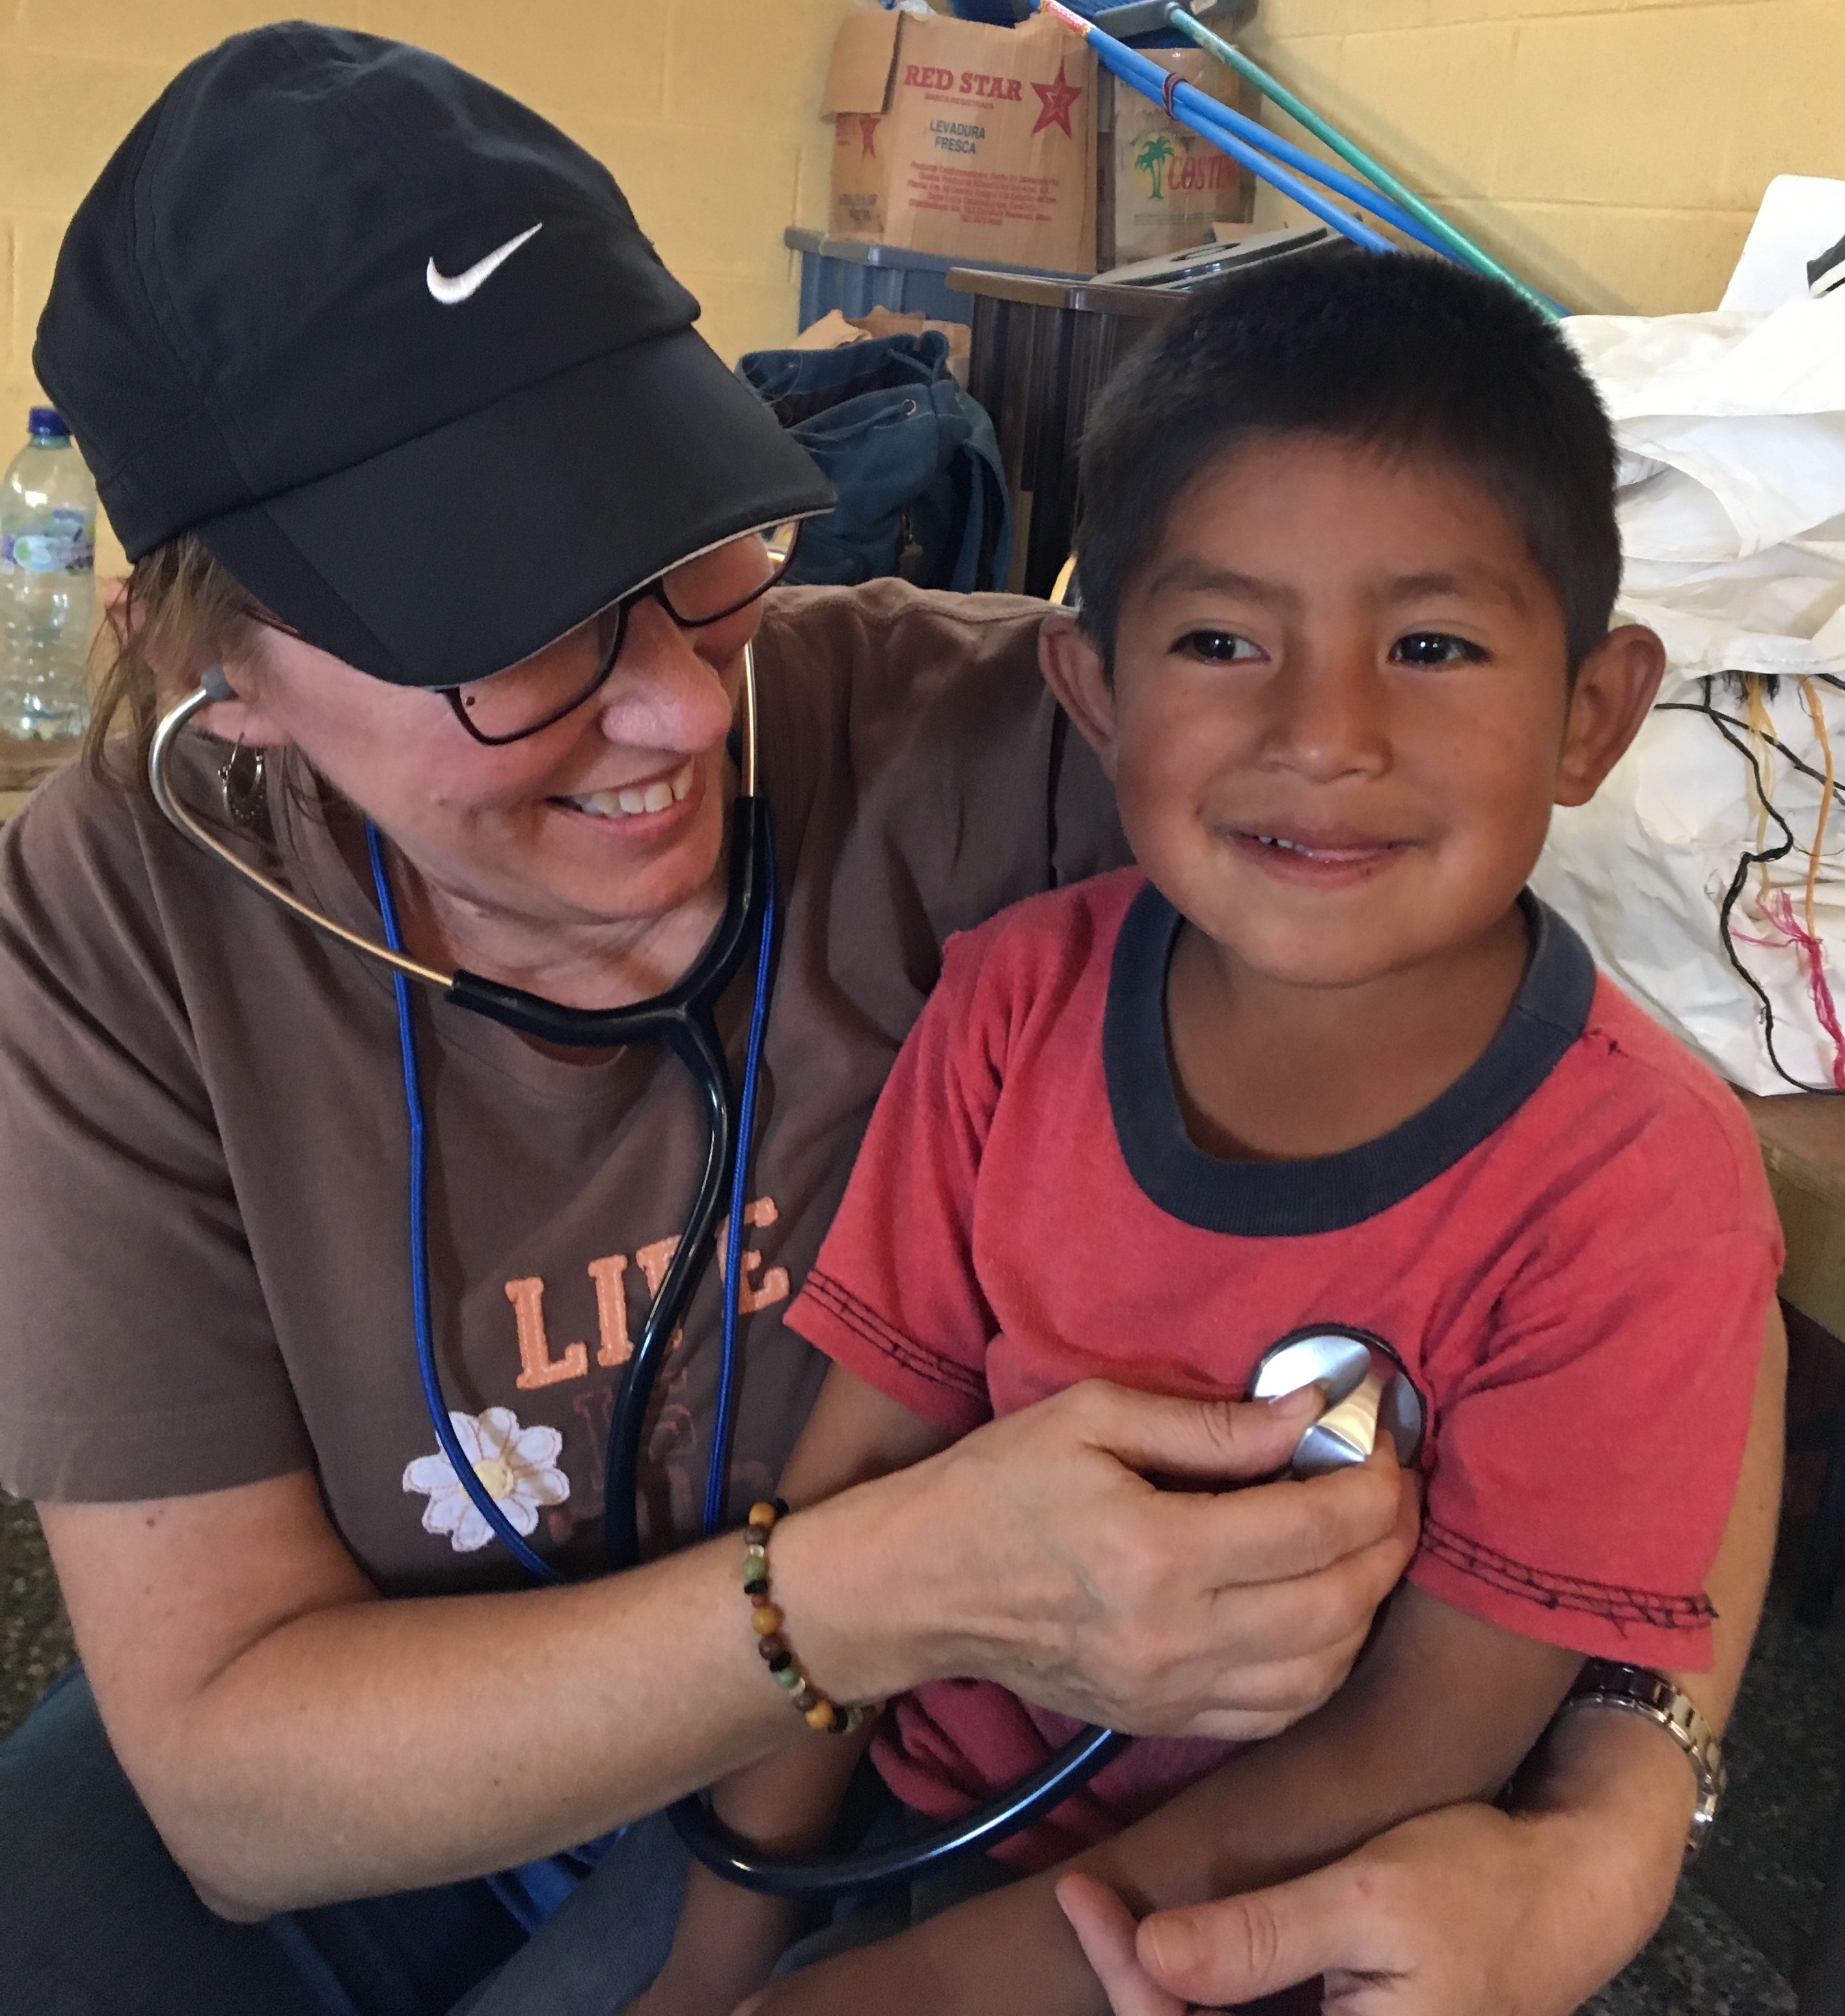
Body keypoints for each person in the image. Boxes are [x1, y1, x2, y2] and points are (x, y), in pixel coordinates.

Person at [0, 23, 1783, 2016]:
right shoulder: (111, 923)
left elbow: (1624, 1189)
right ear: (216, 667)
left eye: (687, 547)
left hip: (980, 1780)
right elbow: (240, 1774)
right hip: (424, 1691)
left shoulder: (1066, 734)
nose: (677, 706)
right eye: (506, 629)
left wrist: (1613, 1822)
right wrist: (885, 1586)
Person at [629, 257, 1782, 2016]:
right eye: (1222, 641)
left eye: (1432, 645)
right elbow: (849, 1512)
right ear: (1093, 698)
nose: (1324, 735)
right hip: (892, 1836)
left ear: (1589, 716)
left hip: (1299, 1931)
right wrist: (721, 1958)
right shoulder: (1010, 1011)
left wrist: (892, 1997)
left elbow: (1418, 1742)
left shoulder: (1637, 1191)